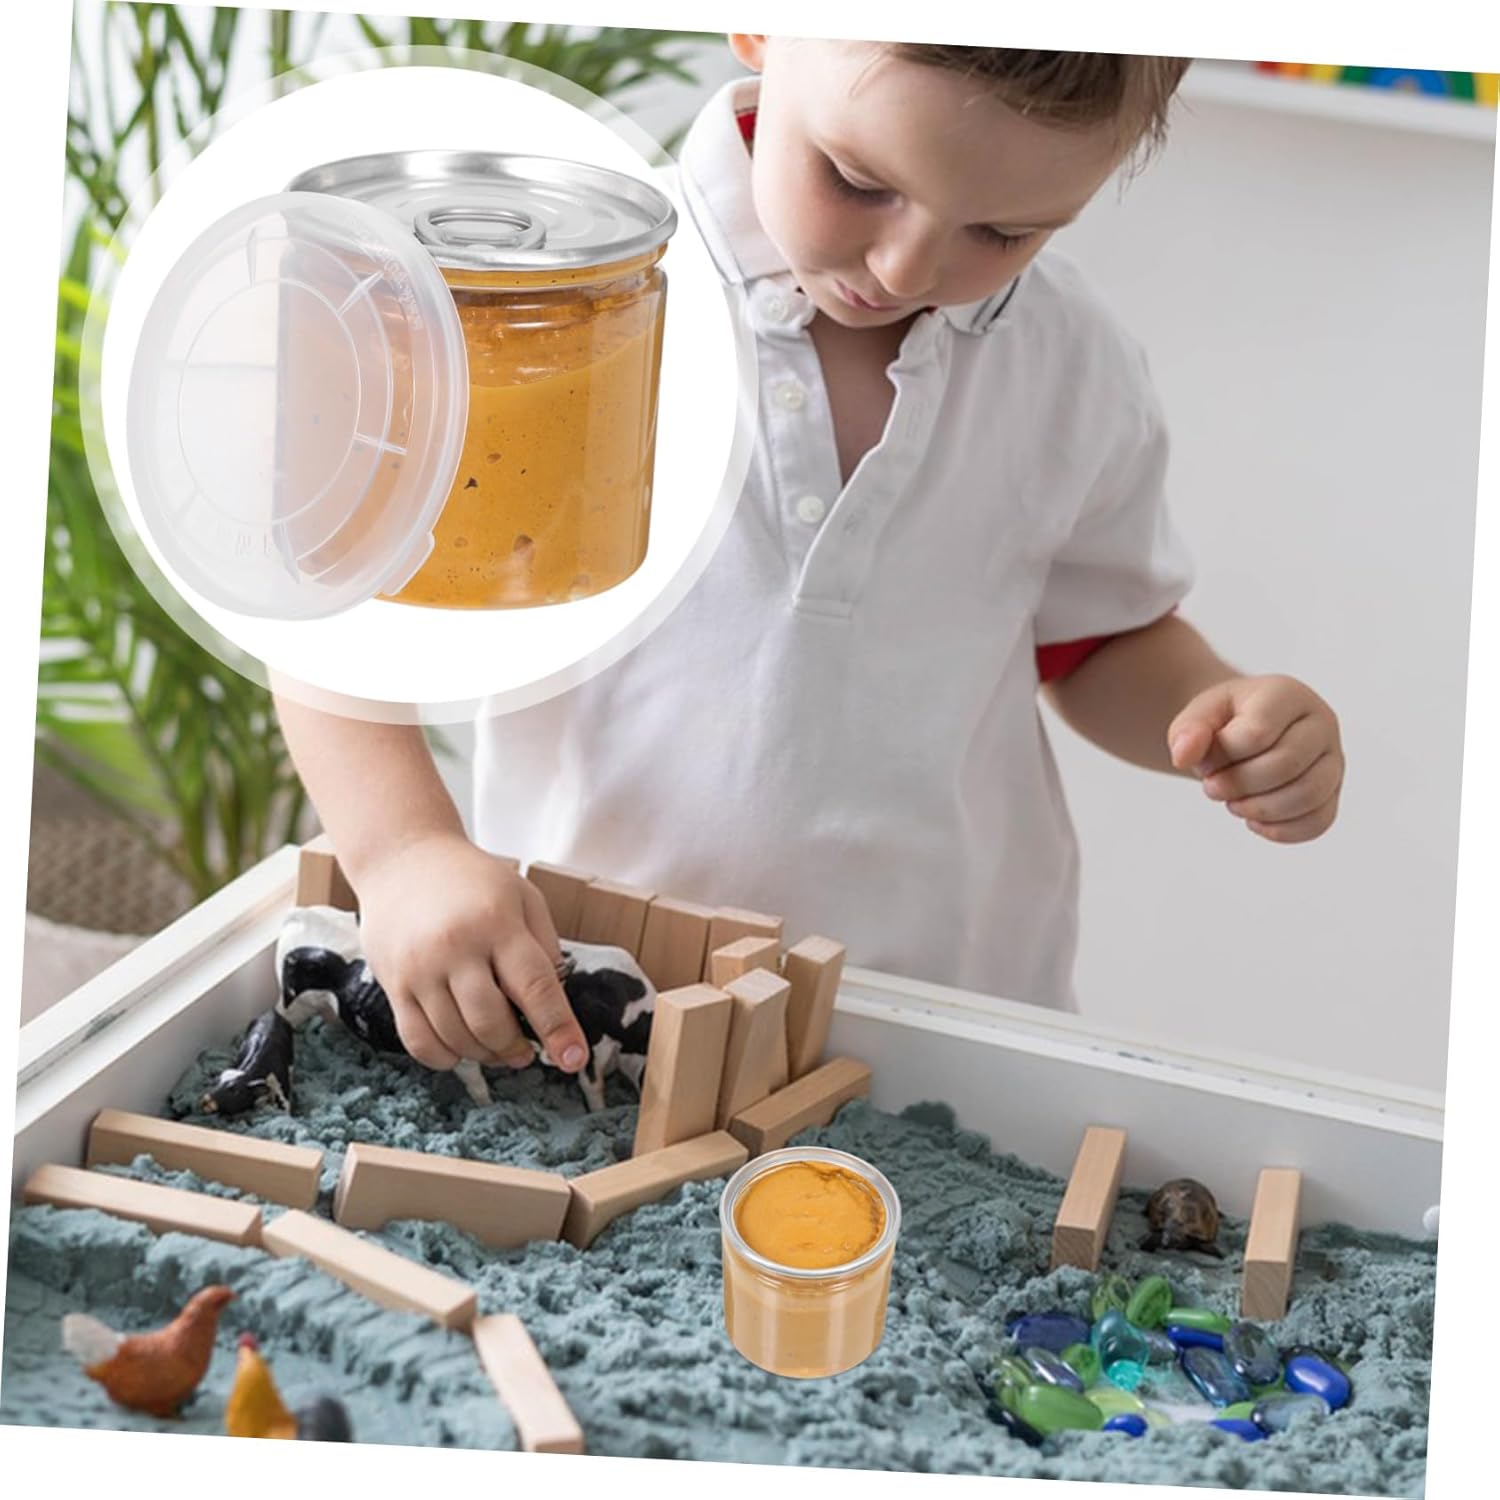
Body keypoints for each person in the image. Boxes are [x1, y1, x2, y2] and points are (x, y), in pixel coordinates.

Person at [274, 36, 1344, 1083]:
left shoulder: (1074, 363)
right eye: (858, 182)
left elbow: (1099, 643)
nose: (906, 268)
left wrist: (1216, 714)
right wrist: (404, 852)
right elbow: (339, 612)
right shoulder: (558, 307)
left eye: (1003, 231)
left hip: (943, 1027)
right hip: (591, 1004)